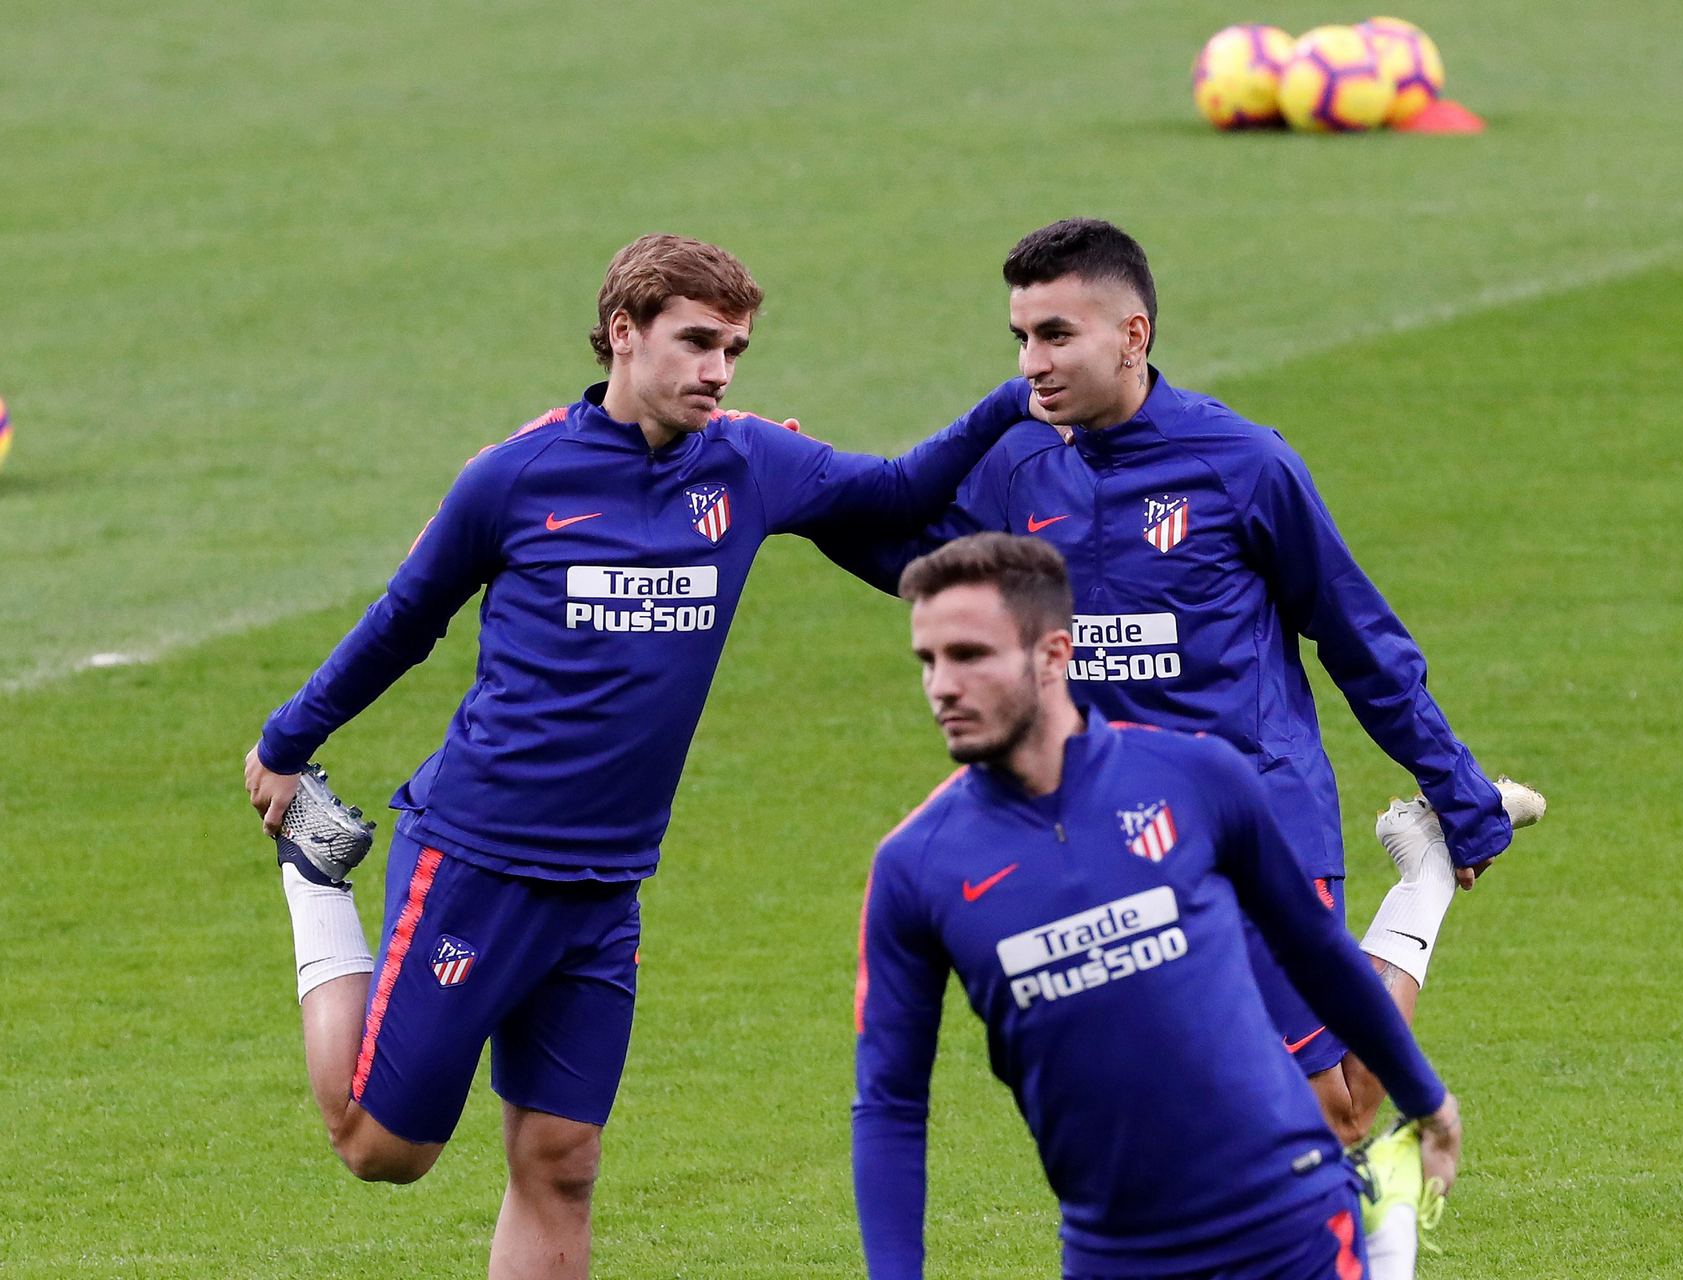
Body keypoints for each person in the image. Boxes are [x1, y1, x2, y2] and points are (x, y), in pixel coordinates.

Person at [243, 233, 1033, 1279]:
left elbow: (895, 492)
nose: (718, 369)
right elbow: (404, 620)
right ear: (625, 332)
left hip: (606, 882)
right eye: (698, 341)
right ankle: (314, 877)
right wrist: (287, 741)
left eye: (736, 349)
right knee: (383, 1145)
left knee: (562, 1160)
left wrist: (1013, 400)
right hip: (478, 857)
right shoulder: (515, 478)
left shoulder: (752, 462)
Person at [819, 217, 1520, 1156]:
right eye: (1021, 338)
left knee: (1338, 1109)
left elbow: (1360, 638)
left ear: (1133, 335)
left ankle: (1426, 876)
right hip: (1116, 831)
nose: (1032, 362)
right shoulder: (1017, 465)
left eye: (1057, 335)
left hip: (1257, 813)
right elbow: (914, 556)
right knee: (1184, 1113)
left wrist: (1457, 786)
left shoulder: (1242, 465)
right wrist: (797, 493)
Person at [853, 532, 1462, 1279]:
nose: (941, 685)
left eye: (970, 655)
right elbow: (890, 1105)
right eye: (929, 660)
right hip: (1114, 1259)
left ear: (1052, 655)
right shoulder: (915, 868)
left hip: (1290, 1229)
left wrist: (1427, 1101)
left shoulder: (1196, 780)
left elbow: (1317, 955)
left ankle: (1376, 1212)